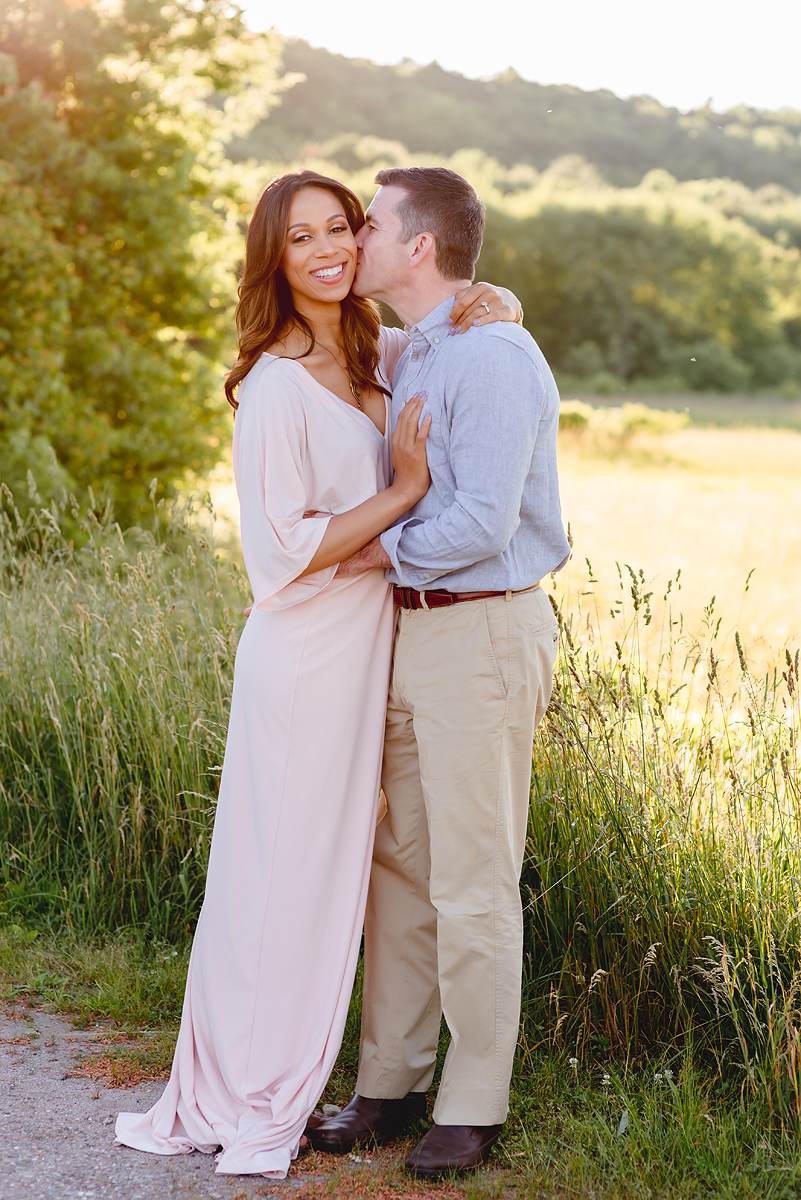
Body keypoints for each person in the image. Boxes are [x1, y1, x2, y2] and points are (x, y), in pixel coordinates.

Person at [114, 169, 521, 1180]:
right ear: (275, 258)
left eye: (343, 226)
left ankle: (352, 1074)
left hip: (372, 650)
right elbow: (282, 554)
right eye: (304, 238)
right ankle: (251, 1083)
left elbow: (463, 328)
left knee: (347, 871)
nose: (332, 248)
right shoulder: (272, 382)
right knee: (281, 875)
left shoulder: (370, 348)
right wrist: (410, 494)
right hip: (303, 655)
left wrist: (497, 298)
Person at [308, 167, 571, 1179]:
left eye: (369, 224)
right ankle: (390, 1080)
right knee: (400, 871)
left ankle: (473, 1103)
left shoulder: (496, 355)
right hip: (410, 634)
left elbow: (482, 523)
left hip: (484, 634)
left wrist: (365, 551)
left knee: (469, 879)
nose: (354, 238)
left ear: (418, 246)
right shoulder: (417, 346)